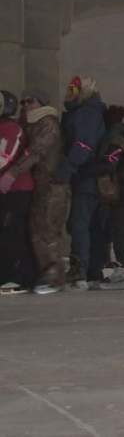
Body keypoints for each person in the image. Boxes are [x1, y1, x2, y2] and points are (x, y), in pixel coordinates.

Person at [4, 93, 69, 294]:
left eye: (30, 101)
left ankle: (54, 276)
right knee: (36, 230)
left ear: (41, 103)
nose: (25, 105)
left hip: (52, 184)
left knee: (47, 229)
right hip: (38, 184)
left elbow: (36, 151)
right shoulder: (28, 124)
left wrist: (13, 173)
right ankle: (41, 273)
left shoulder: (47, 123)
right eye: (23, 102)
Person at [59, 76, 106, 289]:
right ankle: (92, 269)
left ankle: (80, 270)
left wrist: (66, 169)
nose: (68, 93)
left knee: (79, 224)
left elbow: (83, 145)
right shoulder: (84, 112)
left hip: (86, 177)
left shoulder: (86, 113)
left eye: (73, 89)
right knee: (88, 224)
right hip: (87, 176)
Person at [93, 105, 124, 289]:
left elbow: (110, 163)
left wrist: (94, 168)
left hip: (122, 190)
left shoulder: (113, 138)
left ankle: (122, 268)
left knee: (117, 230)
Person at [0, 90, 36, 295]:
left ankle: (17, 277)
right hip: (5, 190)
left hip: (16, 190)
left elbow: (6, 156)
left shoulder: (11, 129)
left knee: (12, 233)